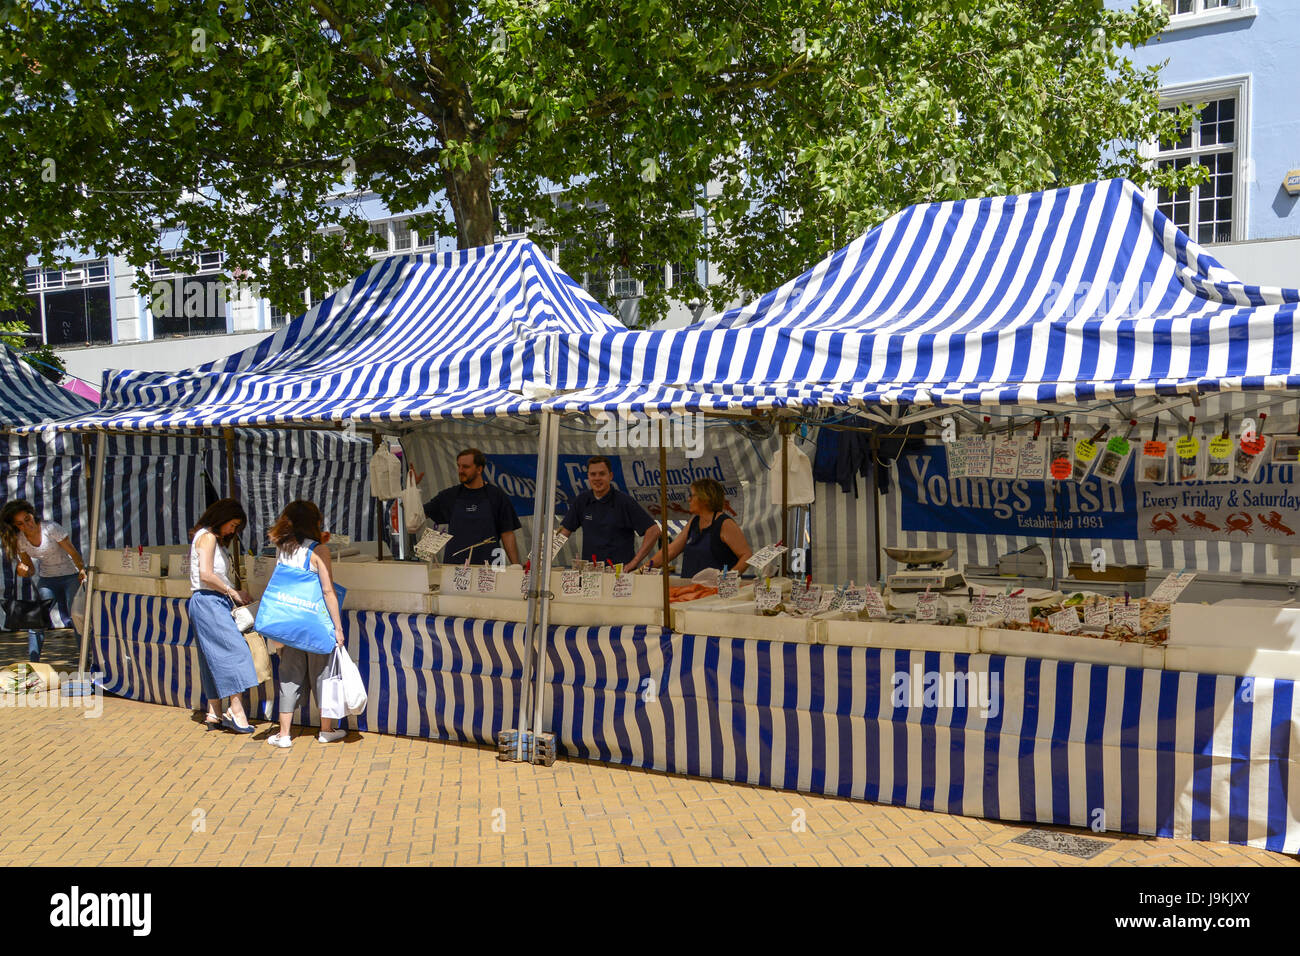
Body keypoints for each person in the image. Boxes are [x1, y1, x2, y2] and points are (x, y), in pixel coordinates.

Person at [265, 500, 347, 749]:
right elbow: (328, 591)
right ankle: (326, 729)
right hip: (316, 624)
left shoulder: (284, 548)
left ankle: (284, 734)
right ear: (314, 522)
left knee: (289, 675)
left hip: (289, 624)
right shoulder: (319, 551)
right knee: (323, 674)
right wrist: (338, 628)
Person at [187, 498, 260, 733]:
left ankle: (214, 710)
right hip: (209, 600)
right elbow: (206, 574)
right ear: (222, 517)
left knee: (210, 657)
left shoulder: (207, 537)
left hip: (206, 601)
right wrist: (233, 592)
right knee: (236, 651)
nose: (233, 530)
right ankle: (235, 709)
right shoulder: (207, 537)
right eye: (233, 524)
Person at [0, 500, 87, 662]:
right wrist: (23, 570)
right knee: (36, 619)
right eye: (20, 524)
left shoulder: (50, 528)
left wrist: (81, 569)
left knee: (76, 616)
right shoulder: (20, 540)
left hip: (70, 575)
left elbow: (73, 553)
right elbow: (30, 569)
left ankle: (84, 659)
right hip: (47, 578)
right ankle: (34, 663)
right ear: (16, 526)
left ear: (33, 514)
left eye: (28, 519)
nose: (27, 525)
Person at [418, 448, 521, 566]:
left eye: (465, 467)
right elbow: (417, 517)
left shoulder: (497, 496)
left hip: (490, 569)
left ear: (479, 469)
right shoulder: (449, 496)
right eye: (459, 466)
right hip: (456, 569)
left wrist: (516, 565)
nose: (460, 470)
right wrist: (411, 490)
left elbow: (507, 533)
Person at [557, 456, 660, 569]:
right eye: (593, 474)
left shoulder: (624, 502)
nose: (597, 478)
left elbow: (653, 530)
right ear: (588, 476)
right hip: (591, 575)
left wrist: (634, 562)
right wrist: (543, 558)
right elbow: (563, 532)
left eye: (602, 474)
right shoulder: (582, 501)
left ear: (610, 476)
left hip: (620, 575)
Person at [649, 478, 753, 578]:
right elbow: (671, 551)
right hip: (689, 589)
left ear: (705, 499)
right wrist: (644, 569)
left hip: (713, 592)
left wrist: (728, 578)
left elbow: (746, 555)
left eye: (692, 496)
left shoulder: (725, 523)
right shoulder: (694, 521)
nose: (689, 499)